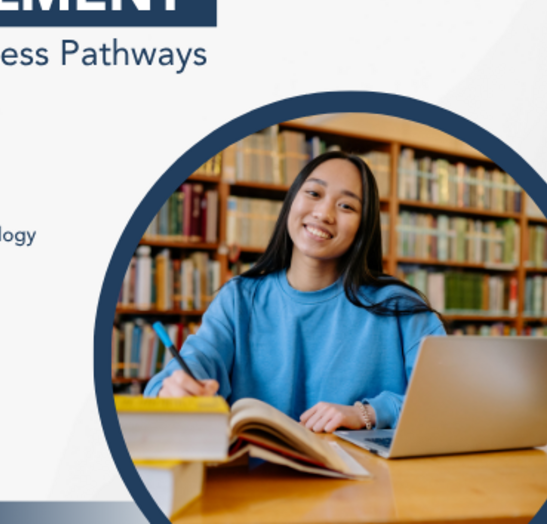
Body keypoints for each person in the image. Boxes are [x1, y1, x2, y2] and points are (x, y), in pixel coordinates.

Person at [143, 151, 446, 432]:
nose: (324, 213)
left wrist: (368, 413)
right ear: (291, 201)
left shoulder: (401, 308)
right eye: (313, 193)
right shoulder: (238, 300)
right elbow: (198, 360)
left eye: (346, 206)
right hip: (256, 483)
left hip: (368, 485)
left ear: (363, 226)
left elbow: (448, 402)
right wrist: (173, 387)